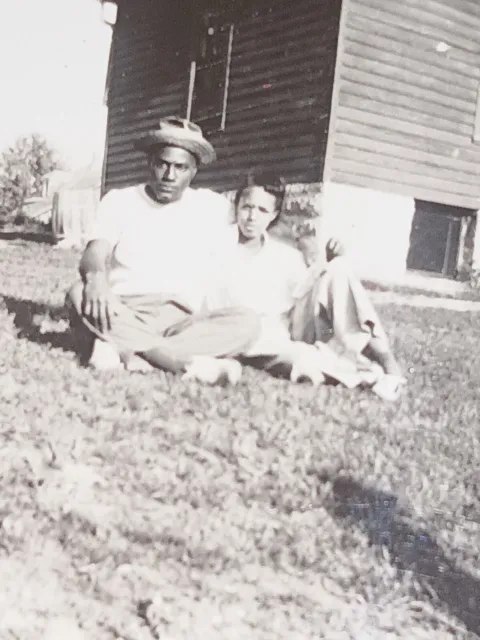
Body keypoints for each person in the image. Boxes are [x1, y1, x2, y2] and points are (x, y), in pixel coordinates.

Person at [65, 116, 259, 385]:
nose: (169, 176)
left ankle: (129, 350)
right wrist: (96, 279)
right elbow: (96, 251)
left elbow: (258, 217)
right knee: (78, 292)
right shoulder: (120, 200)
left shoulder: (212, 206)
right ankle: (177, 362)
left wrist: (308, 247)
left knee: (248, 323)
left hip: (179, 320)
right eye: (162, 164)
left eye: (180, 167)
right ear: (150, 162)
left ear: (194, 171)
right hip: (122, 309)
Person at [203, 174, 405, 399]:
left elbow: (306, 291)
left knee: (338, 269)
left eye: (261, 210)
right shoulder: (217, 247)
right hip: (251, 332)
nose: (252, 217)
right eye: (246, 207)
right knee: (304, 361)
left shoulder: (283, 255)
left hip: (288, 327)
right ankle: (367, 372)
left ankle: (388, 364)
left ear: (273, 215)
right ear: (236, 208)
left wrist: (330, 262)